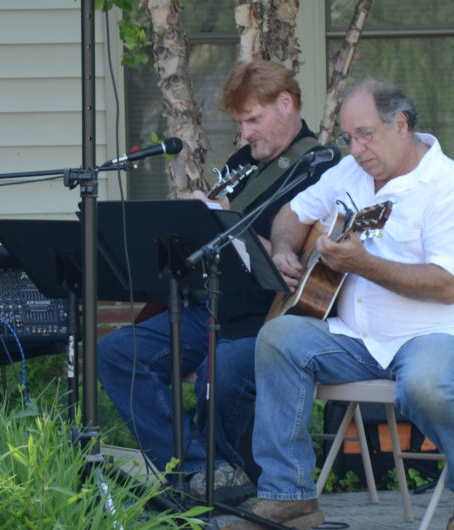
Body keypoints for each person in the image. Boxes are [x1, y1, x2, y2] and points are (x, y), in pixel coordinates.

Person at [214, 77, 454, 530]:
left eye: (367, 134)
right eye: (349, 137)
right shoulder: (350, 174)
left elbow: (448, 287)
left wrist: (364, 264)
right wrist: (285, 250)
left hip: (442, 333)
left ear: (402, 124)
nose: (357, 148)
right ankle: (289, 495)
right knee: (278, 338)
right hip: (359, 338)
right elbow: (292, 213)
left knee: (424, 383)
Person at [98, 60, 337, 496]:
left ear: (286, 104)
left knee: (220, 370)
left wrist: (224, 221)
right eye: (240, 122)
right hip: (211, 305)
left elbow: (303, 260)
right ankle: (199, 469)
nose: (245, 133)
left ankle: (215, 478)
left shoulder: (320, 168)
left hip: (268, 317)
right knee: (118, 353)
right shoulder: (246, 161)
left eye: (253, 120)